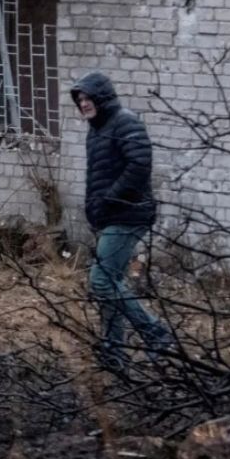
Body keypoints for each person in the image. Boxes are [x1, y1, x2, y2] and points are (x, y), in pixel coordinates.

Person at [69, 71, 170, 371]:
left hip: (129, 214)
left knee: (101, 280)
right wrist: (96, 210)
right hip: (112, 215)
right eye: (80, 100)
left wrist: (110, 199)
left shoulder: (124, 122)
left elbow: (140, 164)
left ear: (102, 97)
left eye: (88, 98)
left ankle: (156, 333)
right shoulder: (97, 129)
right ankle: (115, 351)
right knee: (111, 281)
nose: (84, 104)